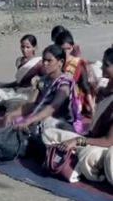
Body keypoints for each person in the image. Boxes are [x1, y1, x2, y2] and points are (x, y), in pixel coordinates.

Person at [42, 47, 113, 185]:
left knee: (90, 156)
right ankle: (73, 162)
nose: (102, 68)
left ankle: (74, 162)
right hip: (90, 139)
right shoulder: (105, 87)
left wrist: (76, 141)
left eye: (106, 65)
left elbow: (107, 141)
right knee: (48, 133)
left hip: (104, 147)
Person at [4, 44, 83, 134]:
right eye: (44, 60)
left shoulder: (64, 84)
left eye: (49, 61)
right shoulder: (43, 80)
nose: (45, 64)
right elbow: (34, 104)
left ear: (60, 62)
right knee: (14, 121)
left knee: (35, 125)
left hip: (60, 122)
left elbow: (53, 107)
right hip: (44, 117)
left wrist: (30, 120)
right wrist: (13, 114)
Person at [0, 34, 43, 111]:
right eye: (22, 47)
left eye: (28, 47)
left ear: (34, 47)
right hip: (16, 91)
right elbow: (18, 82)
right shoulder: (19, 61)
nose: (25, 50)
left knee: (16, 103)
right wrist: (4, 86)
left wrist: (36, 81)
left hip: (28, 94)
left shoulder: (39, 63)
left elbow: (42, 81)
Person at [54, 30, 95, 116]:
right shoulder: (53, 62)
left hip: (73, 98)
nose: (66, 52)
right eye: (63, 49)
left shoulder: (77, 63)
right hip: (55, 94)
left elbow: (85, 86)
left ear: (72, 47)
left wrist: (92, 109)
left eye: (68, 49)